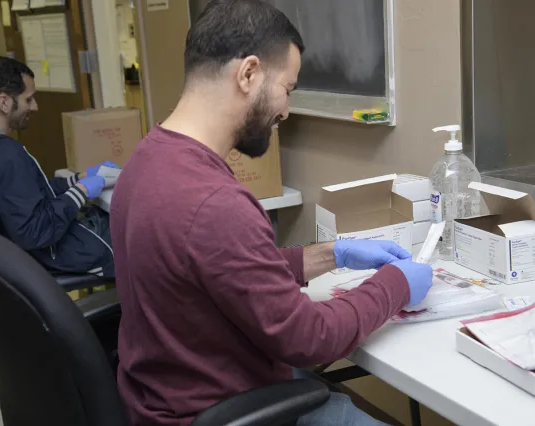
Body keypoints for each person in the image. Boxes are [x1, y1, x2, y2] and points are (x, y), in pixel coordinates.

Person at [110, 1, 433, 425]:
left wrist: (331, 254)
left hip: (165, 395)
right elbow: (309, 339)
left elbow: (219, 267)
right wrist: (396, 285)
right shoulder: (214, 202)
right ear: (248, 74)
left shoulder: (148, 161)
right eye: (288, 89)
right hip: (221, 412)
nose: (285, 110)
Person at [0, 56, 116, 278]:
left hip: (37, 249)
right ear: (4, 103)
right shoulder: (4, 155)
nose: (35, 106)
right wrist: (82, 191)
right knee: (140, 232)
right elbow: (33, 231)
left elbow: (26, 195)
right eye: (29, 99)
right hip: (59, 251)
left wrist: (76, 179)